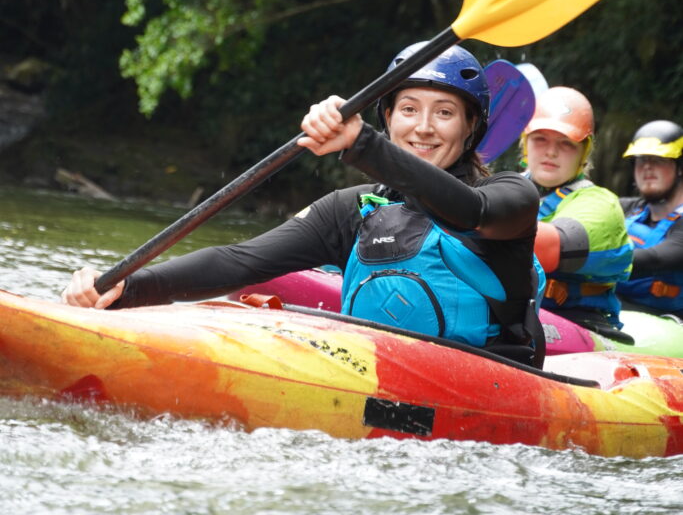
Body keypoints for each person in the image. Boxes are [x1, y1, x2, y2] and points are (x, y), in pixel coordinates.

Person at [62, 43, 545, 365]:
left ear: (470, 129)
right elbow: (238, 261)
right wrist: (126, 288)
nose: (423, 127)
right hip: (374, 371)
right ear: (389, 116)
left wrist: (362, 144)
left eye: (444, 113)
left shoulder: (510, 199)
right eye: (409, 109)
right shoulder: (353, 211)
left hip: (491, 378)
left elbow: (468, 213)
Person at [524, 86, 633, 334]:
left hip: (579, 322)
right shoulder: (504, 185)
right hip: (521, 314)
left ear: (584, 151)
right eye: (540, 139)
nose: (551, 151)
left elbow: (549, 248)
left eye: (566, 143)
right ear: (525, 142)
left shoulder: (600, 203)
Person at [617, 120, 683, 315]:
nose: (647, 167)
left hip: (672, 324)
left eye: (658, 159)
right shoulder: (623, 209)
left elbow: (656, 260)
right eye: (641, 160)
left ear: (680, 167)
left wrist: (596, 259)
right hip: (620, 312)